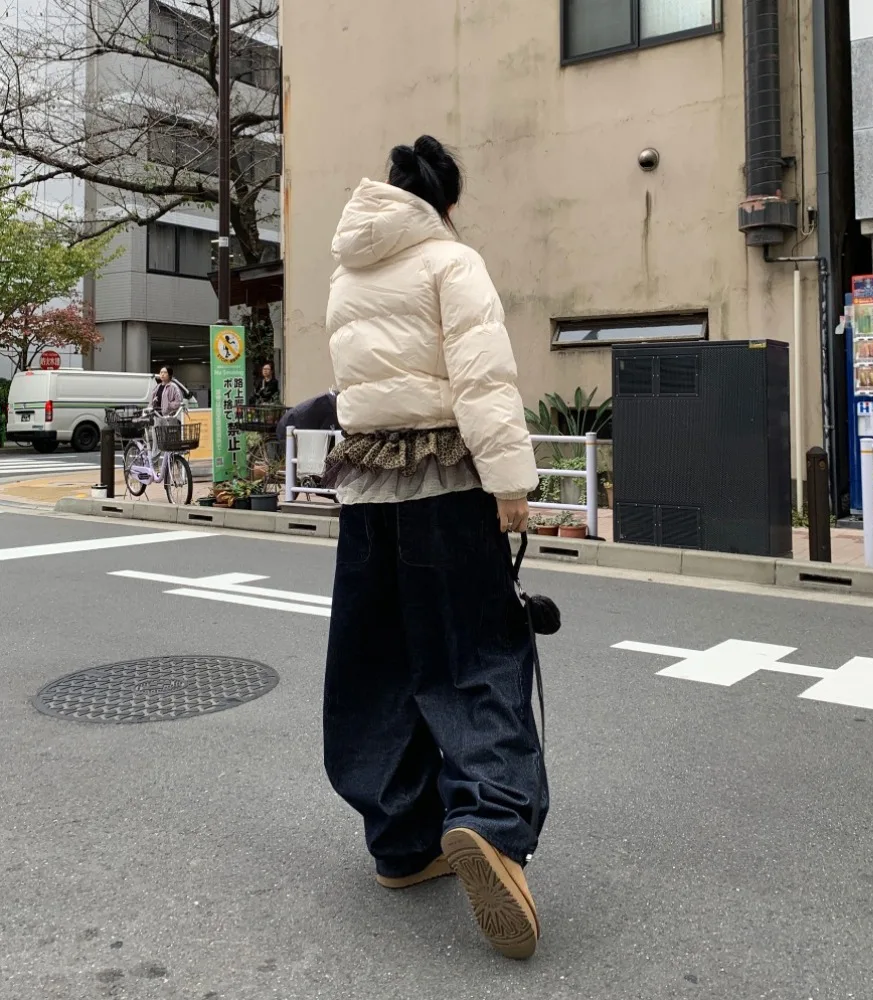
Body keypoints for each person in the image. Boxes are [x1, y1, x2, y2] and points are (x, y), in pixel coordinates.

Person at [323, 135, 546, 960]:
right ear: (445, 203)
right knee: (478, 653)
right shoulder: (451, 261)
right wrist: (512, 486)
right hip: (448, 482)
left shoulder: (350, 270)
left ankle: (400, 842)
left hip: (367, 490)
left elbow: (351, 385)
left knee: (376, 663)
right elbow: (482, 377)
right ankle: (488, 820)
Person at [148, 366, 183, 462]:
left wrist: (168, 406)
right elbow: (152, 401)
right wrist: (151, 407)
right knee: (156, 441)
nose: (162, 374)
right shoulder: (158, 387)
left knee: (170, 441)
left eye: (165, 372)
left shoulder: (173, 387)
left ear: (170, 375)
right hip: (158, 416)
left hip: (169, 417)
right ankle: (154, 465)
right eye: (161, 372)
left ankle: (172, 462)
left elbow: (178, 402)